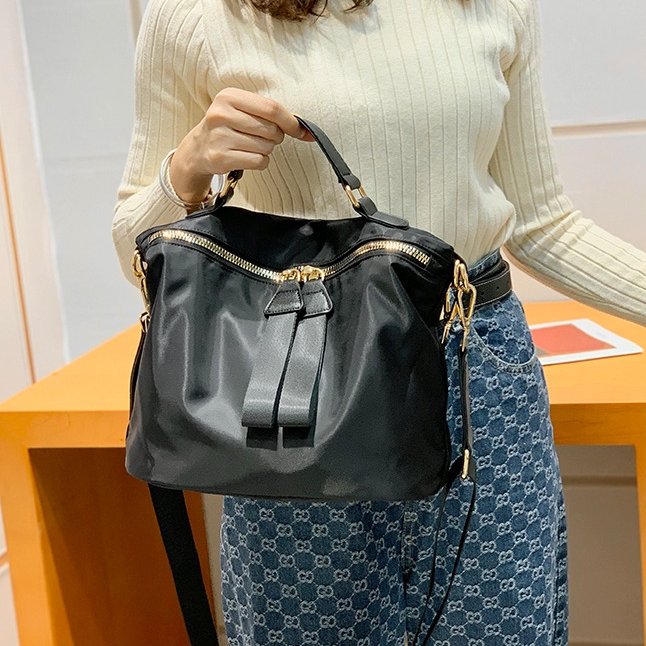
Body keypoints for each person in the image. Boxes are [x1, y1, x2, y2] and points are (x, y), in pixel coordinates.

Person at [112, 0, 646, 643]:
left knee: (505, 623)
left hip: (478, 367)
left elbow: (543, 224)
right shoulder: (197, 15)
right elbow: (134, 244)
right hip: (303, 374)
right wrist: (187, 167)